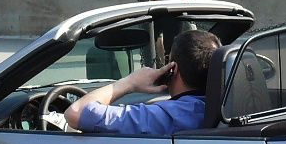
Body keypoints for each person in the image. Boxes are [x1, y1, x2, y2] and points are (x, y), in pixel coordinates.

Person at [65, 30, 219, 135]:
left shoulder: (168, 116)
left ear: (173, 69)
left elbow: (76, 113)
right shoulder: (227, 108)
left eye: (167, 60)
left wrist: (129, 82)